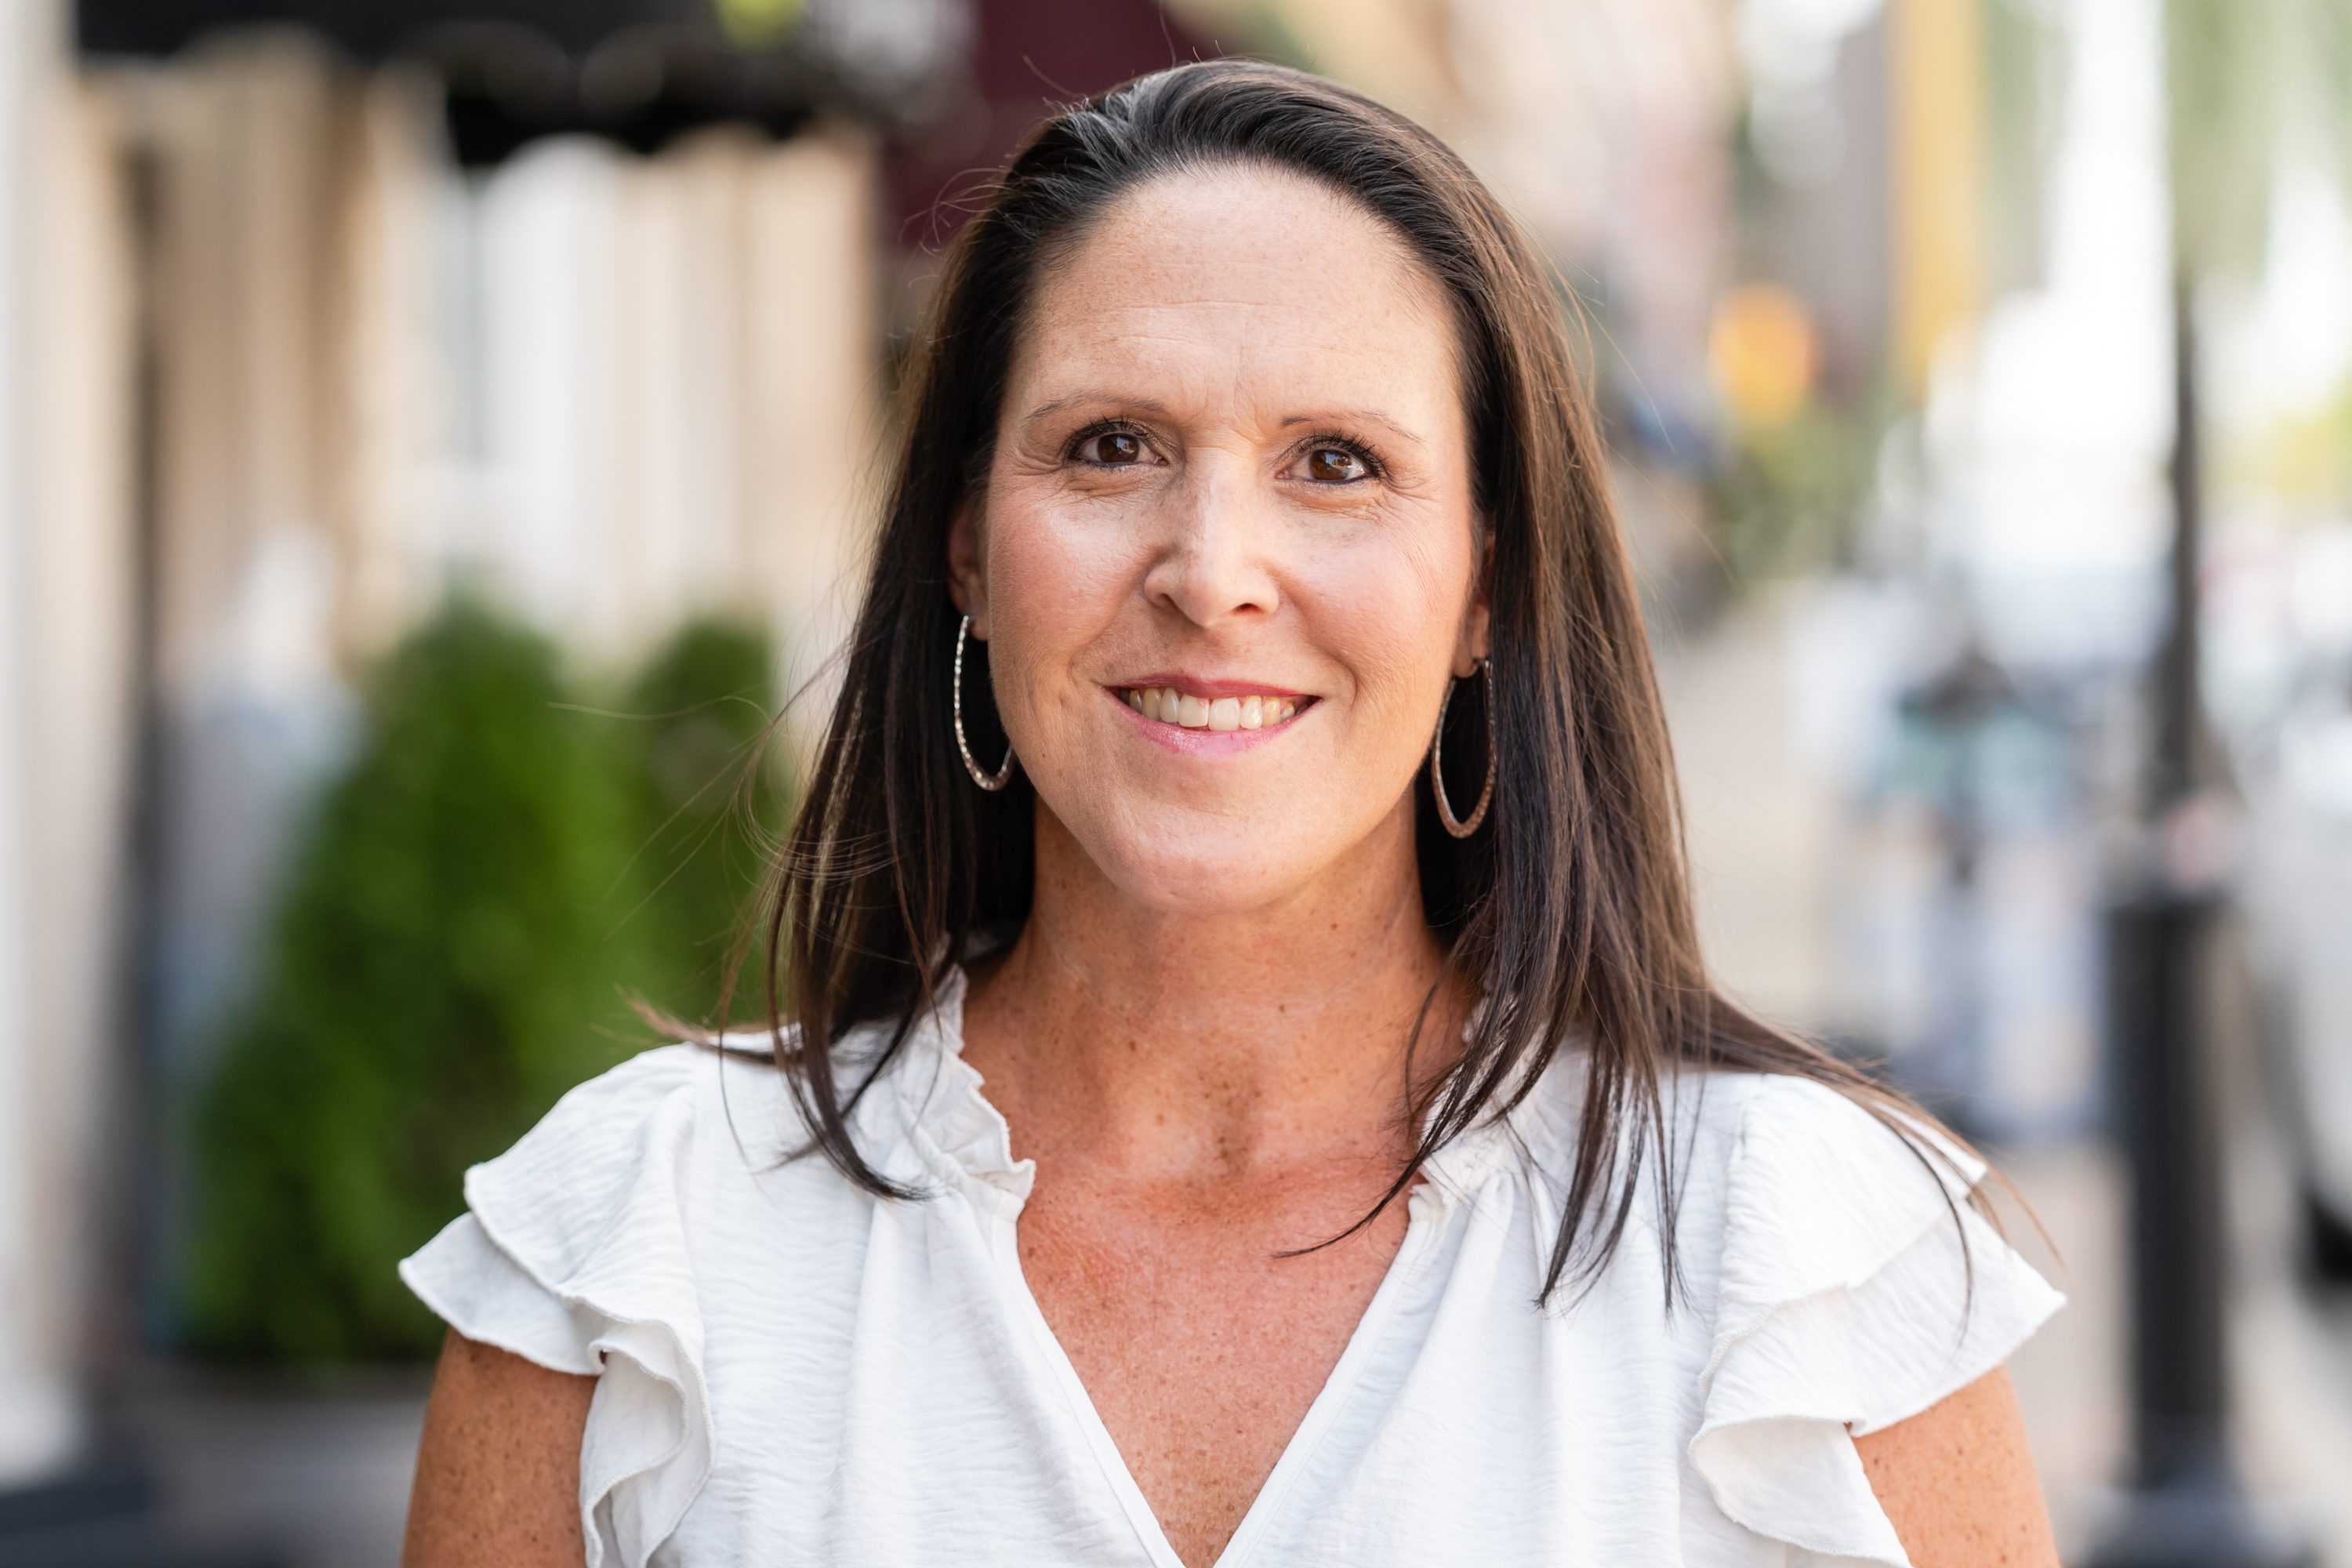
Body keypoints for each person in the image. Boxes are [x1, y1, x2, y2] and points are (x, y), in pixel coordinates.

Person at [398, 60, 2063, 1568]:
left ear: (1488, 578)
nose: (1212, 573)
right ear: (968, 547)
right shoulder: (635, 1266)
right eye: (1113, 446)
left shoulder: (1805, 1278)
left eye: (1335, 462)